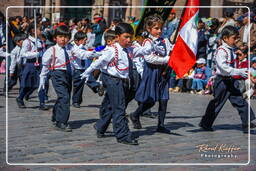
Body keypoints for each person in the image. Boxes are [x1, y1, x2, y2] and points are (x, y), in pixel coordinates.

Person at [80, 22, 153, 145]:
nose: (129, 40)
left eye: (131, 37)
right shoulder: (112, 50)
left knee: (110, 106)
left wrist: (152, 42)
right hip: (112, 80)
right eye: (126, 37)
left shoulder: (130, 49)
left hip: (124, 80)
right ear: (117, 37)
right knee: (119, 107)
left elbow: (144, 51)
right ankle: (123, 135)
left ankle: (100, 126)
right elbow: (98, 62)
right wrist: (87, 73)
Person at [39, 25, 100, 132]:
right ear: (55, 38)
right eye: (60, 36)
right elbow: (45, 66)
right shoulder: (51, 50)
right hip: (57, 74)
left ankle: (55, 115)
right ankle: (61, 122)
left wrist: (95, 53)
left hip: (68, 74)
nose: (63, 39)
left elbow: (82, 54)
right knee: (65, 98)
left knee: (63, 97)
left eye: (66, 37)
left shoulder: (71, 48)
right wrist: (42, 79)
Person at [199, 25, 256, 133]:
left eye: (237, 38)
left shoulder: (232, 50)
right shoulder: (221, 51)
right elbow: (224, 68)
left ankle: (247, 122)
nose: (236, 40)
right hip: (222, 81)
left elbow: (233, 63)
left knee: (240, 100)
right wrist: (239, 71)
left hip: (231, 81)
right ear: (225, 38)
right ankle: (205, 123)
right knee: (217, 103)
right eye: (234, 38)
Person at [130, 15, 172, 134]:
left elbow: (170, 50)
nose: (159, 31)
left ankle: (161, 124)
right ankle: (135, 114)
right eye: (156, 28)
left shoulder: (165, 40)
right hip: (152, 72)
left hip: (163, 72)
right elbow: (149, 58)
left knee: (164, 99)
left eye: (160, 28)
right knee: (151, 100)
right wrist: (166, 59)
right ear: (149, 29)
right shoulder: (147, 42)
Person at [16, 24, 48, 110]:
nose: (41, 31)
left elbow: (44, 52)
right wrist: (34, 54)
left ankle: (42, 103)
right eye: (39, 29)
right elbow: (23, 54)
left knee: (41, 83)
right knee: (28, 85)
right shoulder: (27, 41)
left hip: (40, 64)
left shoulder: (40, 41)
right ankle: (20, 98)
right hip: (30, 64)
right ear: (33, 31)